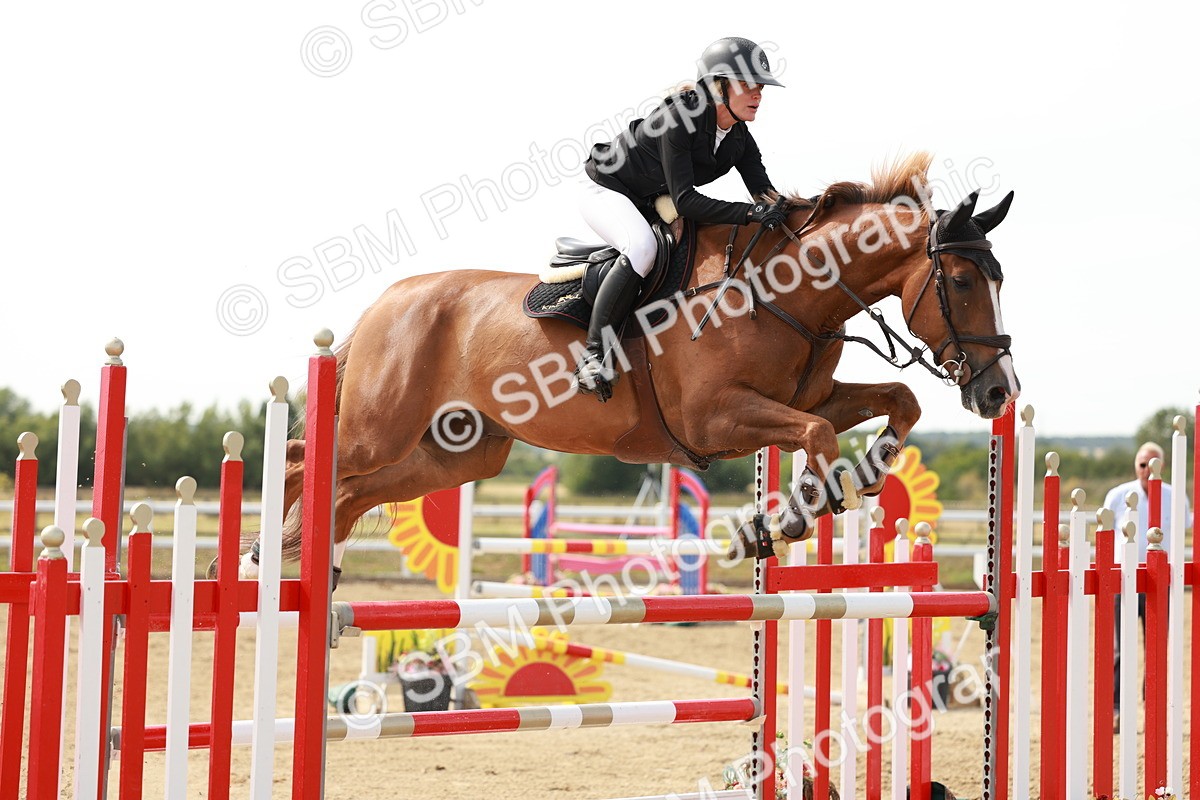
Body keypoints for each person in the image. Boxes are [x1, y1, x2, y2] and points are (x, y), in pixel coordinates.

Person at [574, 36, 788, 402]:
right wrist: (751, 214)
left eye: (761, 86)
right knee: (642, 248)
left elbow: (765, 194)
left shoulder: (739, 137)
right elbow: (687, 200)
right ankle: (593, 357)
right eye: (748, 85)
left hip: (650, 197)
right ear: (719, 86)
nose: (759, 94)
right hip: (606, 189)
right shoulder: (679, 118)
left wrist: (804, 213)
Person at [1101, 441, 1191, 718]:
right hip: (1124, 582)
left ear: (1161, 466)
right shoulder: (1118, 495)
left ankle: (1150, 702)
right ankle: (1117, 707)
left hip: (1158, 582)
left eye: (1151, 464)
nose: (1145, 470)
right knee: (1120, 647)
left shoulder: (1175, 496)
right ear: (1136, 466)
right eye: (1142, 464)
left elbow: (1185, 527)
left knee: (1156, 646)